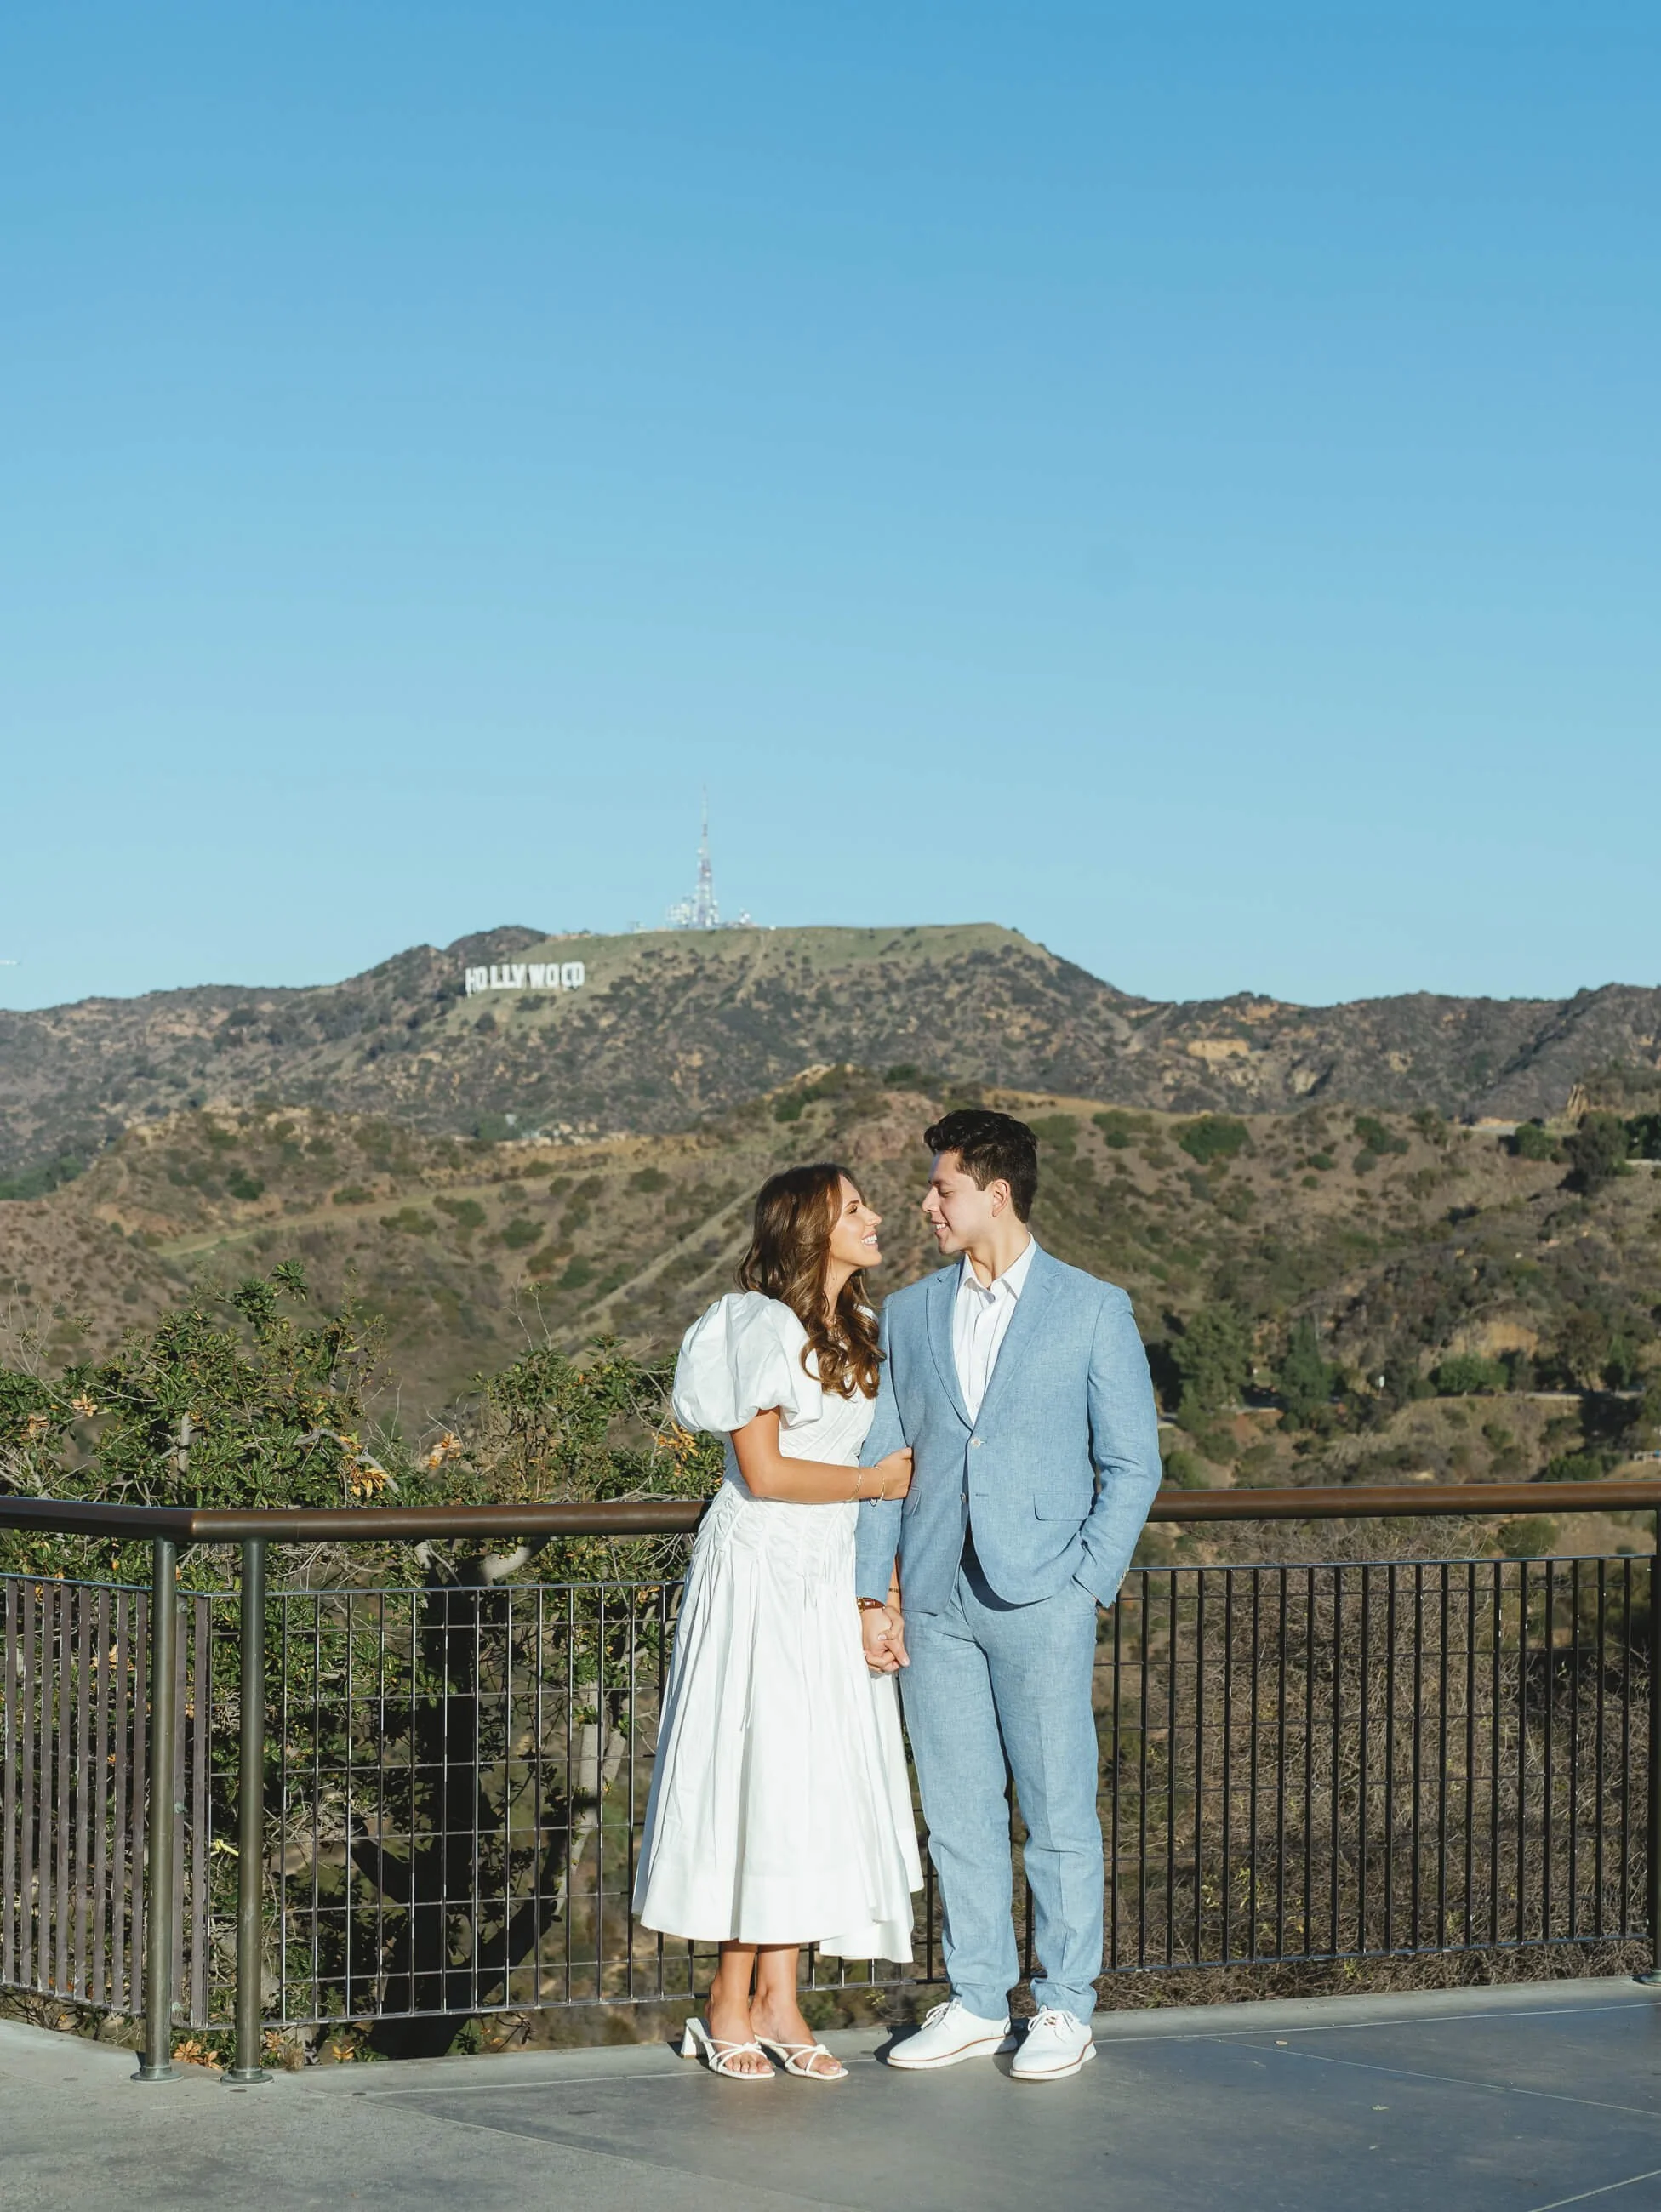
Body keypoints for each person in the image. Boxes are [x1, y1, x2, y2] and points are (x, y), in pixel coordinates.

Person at [855, 1109, 1161, 2083]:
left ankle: (1065, 2002)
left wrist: (1083, 1583)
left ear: (995, 1194)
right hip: (936, 1594)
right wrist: (876, 1590)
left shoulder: (1092, 1307)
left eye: (939, 1188)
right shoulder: (906, 1313)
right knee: (955, 1811)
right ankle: (981, 1998)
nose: (924, 1204)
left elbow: (1131, 1462)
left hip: (1043, 1598)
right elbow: (885, 1459)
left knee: (1056, 1807)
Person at [635, 1162, 922, 2083]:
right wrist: (874, 1482)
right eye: (855, 1208)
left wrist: (877, 1590)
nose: (876, 1216)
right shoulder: (755, 1323)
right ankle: (726, 2000)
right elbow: (761, 1471)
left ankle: (780, 1999)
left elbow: (873, 1476)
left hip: (827, 1566)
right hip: (759, 1567)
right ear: (810, 1227)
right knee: (757, 1770)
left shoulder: (863, 1330)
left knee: (814, 1779)